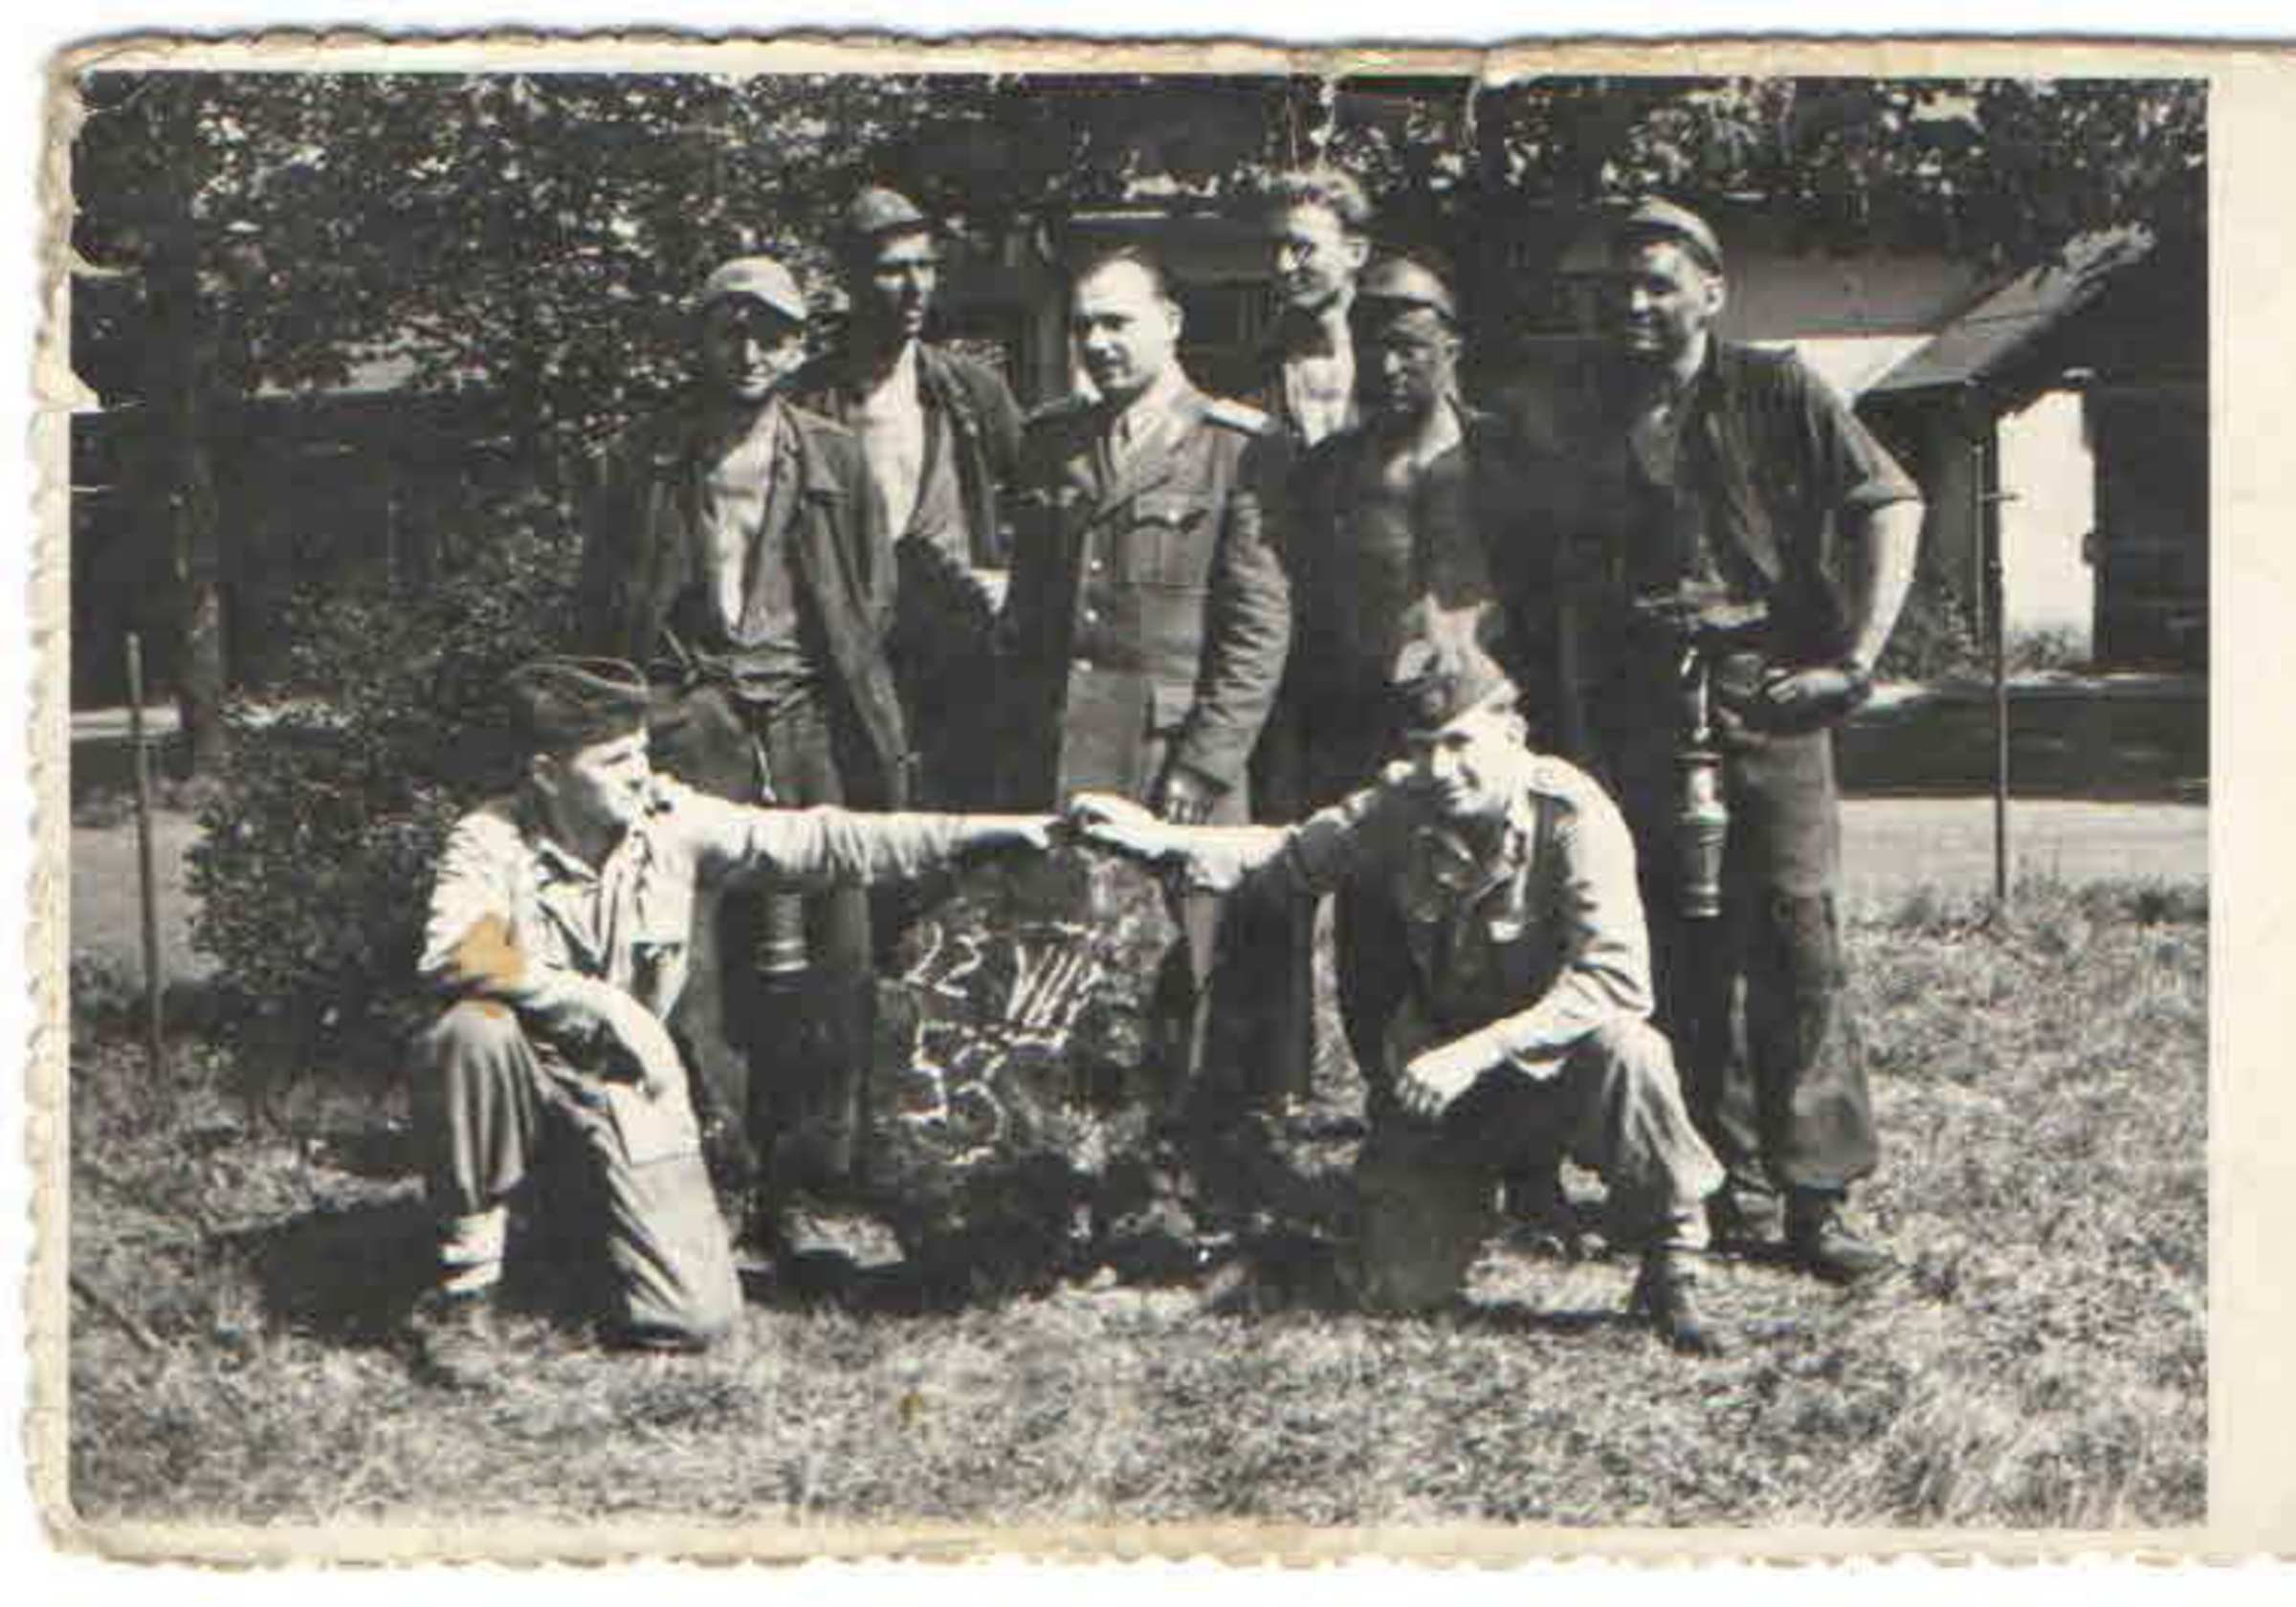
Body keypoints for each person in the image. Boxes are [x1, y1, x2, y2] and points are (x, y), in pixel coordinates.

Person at [404, 656, 1053, 1388]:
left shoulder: (671, 823)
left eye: (642, 753)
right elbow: (460, 951)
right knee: (472, 1030)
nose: (639, 775)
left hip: (623, 1085)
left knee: (693, 1319)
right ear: (547, 774)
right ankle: (464, 1292)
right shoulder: (491, 836)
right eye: (614, 761)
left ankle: (564, 1222)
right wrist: (606, 1005)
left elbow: (825, 842)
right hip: (524, 1070)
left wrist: (986, 832)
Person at [1070, 635, 1728, 1354]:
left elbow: (1615, 981)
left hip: (1555, 1070)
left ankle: (1674, 1265)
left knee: (1630, 1048)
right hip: (1446, 1088)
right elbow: (1291, 856)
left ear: (1512, 733)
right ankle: (1423, 1215)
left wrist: (1476, 1053)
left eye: (1459, 743)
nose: (1440, 768)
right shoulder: (1406, 802)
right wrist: (1159, 841)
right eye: (1422, 747)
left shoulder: (1572, 815)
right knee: (1396, 1286)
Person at [1509, 198, 1924, 1282]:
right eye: (1621, 287)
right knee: (1673, 945)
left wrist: (1853, 662)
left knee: (1794, 933)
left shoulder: (1776, 390)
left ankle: (1817, 1195)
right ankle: (1713, 1181)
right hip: (1635, 708)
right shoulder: (1585, 411)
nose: (1636, 304)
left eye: (1658, 283)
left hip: (1765, 695)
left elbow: (1890, 500)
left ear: (1711, 293)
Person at [574, 253, 906, 1230]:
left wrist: (833, 700)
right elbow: (601, 608)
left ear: (799, 348)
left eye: (772, 334)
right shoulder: (643, 461)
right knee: (691, 955)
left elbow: (871, 599)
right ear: (701, 342)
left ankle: (815, 1181)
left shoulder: (837, 460)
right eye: (731, 330)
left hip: (808, 721)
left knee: (835, 951)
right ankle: (714, 1174)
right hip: (695, 722)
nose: (750, 351)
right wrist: (655, 715)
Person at [998, 245, 1292, 1117]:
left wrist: (1207, 764)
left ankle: (1189, 1154)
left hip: (1174, 758)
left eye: (1117, 323)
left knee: (1186, 965)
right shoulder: (1052, 441)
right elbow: (1031, 617)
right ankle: (1080, 1155)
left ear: (1171, 323)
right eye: (1083, 326)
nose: (1097, 343)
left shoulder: (1234, 448)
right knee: (1069, 959)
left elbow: (1257, 628)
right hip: (1069, 752)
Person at [1253, 256, 1527, 1107]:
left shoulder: (1506, 456)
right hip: (1369, 730)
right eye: (1372, 345)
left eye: (1410, 345)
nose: (1389, 364)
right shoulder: (1330, 473)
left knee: (1493, 922)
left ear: (1453, 348)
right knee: (1374, 931)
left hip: (1491, 723)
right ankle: (1393, 1110)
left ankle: (1505, 1129)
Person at [787, 186, 1026, 809]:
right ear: (850, 279)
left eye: (926, 266)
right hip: (847, 646)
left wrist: (1013, 578)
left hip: (956, 651)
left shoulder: (970, 392)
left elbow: (1044, 503)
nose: (917, 287)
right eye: (894, 270)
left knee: (959, 810)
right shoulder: (804, 401)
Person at [1247, 166, 1375, 450]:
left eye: (1302, 248)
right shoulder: (1259, 364)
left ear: (1355, 253)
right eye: (1274, 248)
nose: (1283, 265)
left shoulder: (1392, 350)